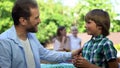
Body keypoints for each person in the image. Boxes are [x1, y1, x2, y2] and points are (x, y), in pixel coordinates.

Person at [0, 0, 81, 68]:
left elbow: (47, 54)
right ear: (23, 21)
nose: (40, 21)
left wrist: (71, 54)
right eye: (36, 18)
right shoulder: (4, 42)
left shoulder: (31, 36)